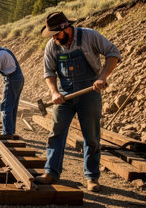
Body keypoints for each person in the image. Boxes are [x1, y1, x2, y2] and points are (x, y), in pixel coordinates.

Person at [35, 11, 121, 192]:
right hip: (64, 95)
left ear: (66, 28)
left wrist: (103, 77)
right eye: (52, 35)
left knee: (91, 137)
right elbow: (49, 73)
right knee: (56, 133)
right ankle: (51, 172)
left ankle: (92, 178)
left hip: (90, 91)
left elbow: (113, 53)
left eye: (56, 33)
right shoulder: (52, 45)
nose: (54, 37)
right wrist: (54, 92)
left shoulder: (90, 36)